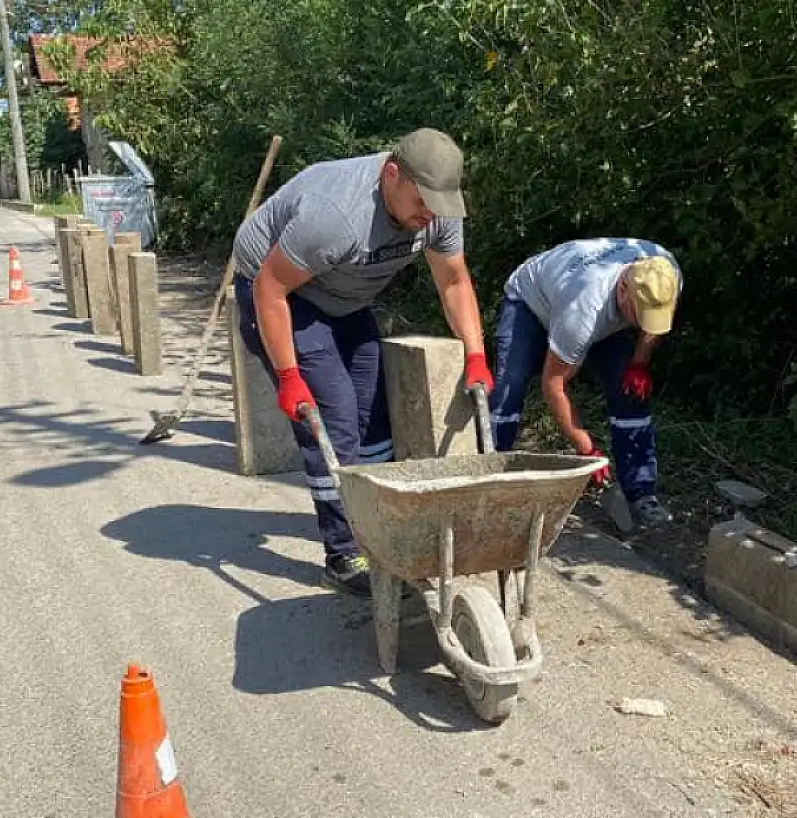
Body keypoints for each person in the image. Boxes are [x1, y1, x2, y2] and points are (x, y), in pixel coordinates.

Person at [230, 128, 493, 595]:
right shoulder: (337, 216)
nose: (428, 215)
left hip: (346, 298)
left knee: (373, 416)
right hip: (281, 293)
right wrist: (289, 378)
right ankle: (343, 552)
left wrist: (475, 353)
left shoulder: (436, 210)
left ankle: (378, 532)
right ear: (392, 174)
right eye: (421, 202)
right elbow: (270, 287)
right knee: (333, 418)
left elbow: (453, 281)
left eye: (437, 204)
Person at [489, 237, 682, 527]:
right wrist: (586, 449)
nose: (644, 325)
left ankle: (641, 492)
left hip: (599, 310)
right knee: (509, 388)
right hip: (530, 302)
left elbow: (656, 325)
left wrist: (639, 364)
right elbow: (553, 385)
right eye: (640, 316)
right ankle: (488, 483)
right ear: (623, 289)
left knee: (629, 393)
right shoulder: (583, 309)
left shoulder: (666, 274)